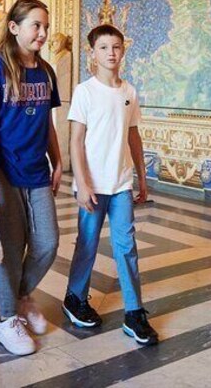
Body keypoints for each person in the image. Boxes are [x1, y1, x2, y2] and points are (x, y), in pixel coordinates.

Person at [0, 0, 63, 356]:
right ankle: (7, 318)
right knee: (11, 248)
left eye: (45, 26)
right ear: (14, 27)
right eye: (35, 25)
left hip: (37, 168)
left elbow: (49, 124)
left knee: (47, 242)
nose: (43, 33)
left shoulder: (47, 71)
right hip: (4, 170)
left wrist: (58, 161)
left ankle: (22, 296)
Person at [62, 23, 158, 346]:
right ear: (93, 53)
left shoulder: (129, 92)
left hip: (120, 184)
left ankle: (134, 312)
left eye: (116, 47)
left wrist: (142, 177)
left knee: (126, 246)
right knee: (87, 243)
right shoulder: (85, 91)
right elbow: (76, 140)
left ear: (123, 50)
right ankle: (75, 297)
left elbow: (133, 136)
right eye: (103, 48)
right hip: (92, 184)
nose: (111, 53)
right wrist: (82, 183)